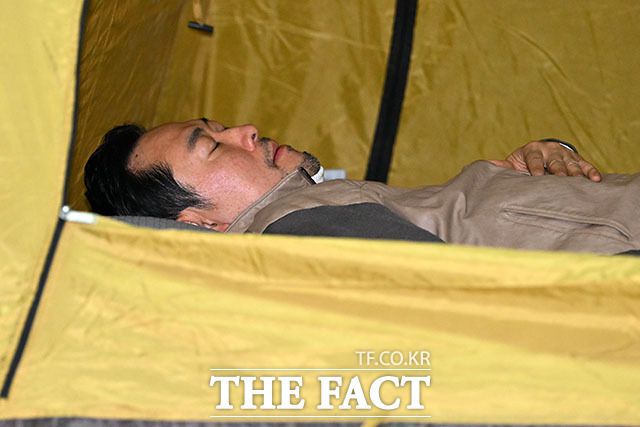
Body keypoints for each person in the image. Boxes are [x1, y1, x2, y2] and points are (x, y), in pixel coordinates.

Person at [84, 118, 640, 253]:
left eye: (219, 124)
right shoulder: (297, 229)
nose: (246, 130)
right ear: (201, 223)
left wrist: (535, 166)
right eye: (211, 145)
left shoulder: (317, 204)